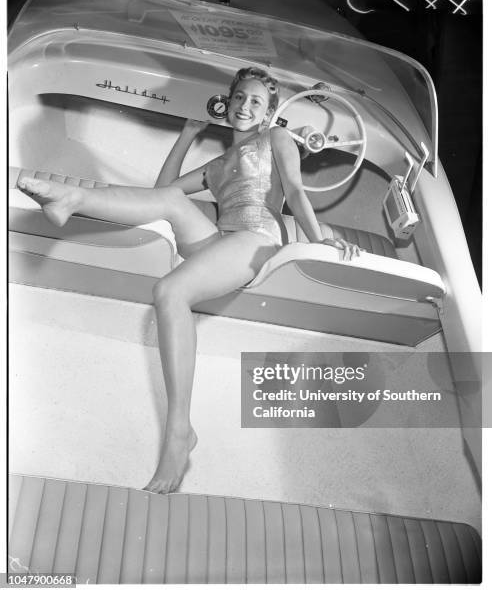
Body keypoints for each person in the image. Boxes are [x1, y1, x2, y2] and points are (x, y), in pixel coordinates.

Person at [16, 67, 360, 494]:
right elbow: (159, 195)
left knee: (169, 291)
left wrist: (321, 245)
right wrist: (186, 136)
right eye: (239, 98)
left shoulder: (276, 140)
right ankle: (74, 200)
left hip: (256, 242)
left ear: (270, 112)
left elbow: (295, 189)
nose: (244, 106)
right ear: (228, 102)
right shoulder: (217, 165)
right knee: (173, 202)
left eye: (255, 101)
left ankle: (179, 432)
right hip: (221, 241)